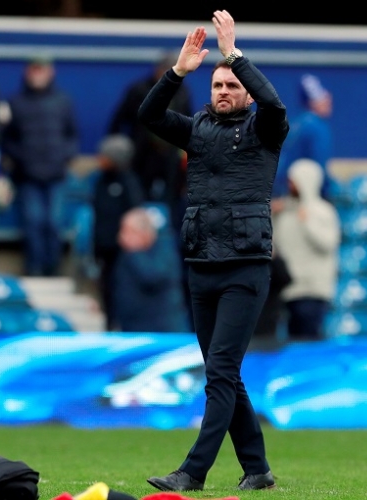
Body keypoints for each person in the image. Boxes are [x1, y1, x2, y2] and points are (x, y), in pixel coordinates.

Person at [139, 10, 289, 492]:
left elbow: (275, 104)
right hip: (201, 263)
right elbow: (148, 116)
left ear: (245, 92)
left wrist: (233, 55)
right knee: (223, 372)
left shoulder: (266, 131)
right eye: (217, 85)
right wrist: (177, 72)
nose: (223, 91)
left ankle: (193, 471)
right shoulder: (196, 129)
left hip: (245, 266)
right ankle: (258, 469)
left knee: (221, 371)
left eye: (231, 85)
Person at [1, 55, 79, 277]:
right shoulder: (16, 102)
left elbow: (72, 135)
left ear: (50, 73)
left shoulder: (63, 101)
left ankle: (52, 269)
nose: (38, 75)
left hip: (56, 175)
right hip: (27, 176)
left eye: (42, 70)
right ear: (27, 72)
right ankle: (34, 268)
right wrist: (22, 159)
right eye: (34, 70)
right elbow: (7, 140)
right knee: (33, 223)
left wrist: (64, 157)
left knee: (54, 223)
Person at [108, 50, 193, 225]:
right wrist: (121, 152)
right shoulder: (139, 90)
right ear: (157, 70)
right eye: (166, 70)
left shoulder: (182, 92)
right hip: (142, 156)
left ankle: (168, 235)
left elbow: (188, 124)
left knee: (172, 200)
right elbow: (118, 121)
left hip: (170, 156)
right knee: (138, 198)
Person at [273, 158, 340, 341]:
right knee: (290, 341)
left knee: (308, 340)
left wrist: (307, 221)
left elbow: (328, 243)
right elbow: (275, 245)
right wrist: (271, 216)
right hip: (288, 289)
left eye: (294, 182)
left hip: (312, 290)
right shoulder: (285, 212)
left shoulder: (323, 211)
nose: (290, 186)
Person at [90, 134, 145, 330]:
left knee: (122, 289)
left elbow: (136, 216)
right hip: (103, 248)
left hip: (123, 251)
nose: (100, 159)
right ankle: (109, 323)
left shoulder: (129, 182)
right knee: (106, 289)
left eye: (104, 156)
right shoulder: (100, 181)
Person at [113, 207, 190, 333]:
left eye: (127, 231)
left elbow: (152, 276)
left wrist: (135, 252)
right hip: (133, 328)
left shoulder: (163, 250)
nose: (121, 237)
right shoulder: (127, 255)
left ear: (143, 233)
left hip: (162, 331)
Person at [271, 73, 335, 204]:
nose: (328, 100)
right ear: (312, 102)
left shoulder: (297, 124)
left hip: (281, 192)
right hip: (302, 195)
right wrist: (328, 192)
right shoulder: (316, 127)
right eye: (322, 98)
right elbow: (319, 167)